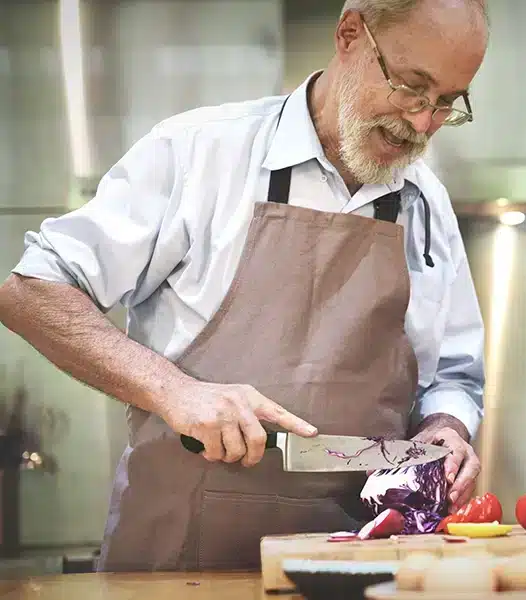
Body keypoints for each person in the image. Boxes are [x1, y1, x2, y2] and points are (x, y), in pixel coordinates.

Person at [0, 0, 489, 571]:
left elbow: (454, 374)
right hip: (181, 561)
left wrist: (446, 428)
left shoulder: (427, 204)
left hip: (359, 563)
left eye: (447, 103)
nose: (424, 121)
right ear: (351, 35)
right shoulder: (199, 152)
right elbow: (33, 289)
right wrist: (174, 390)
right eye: (411, 86)